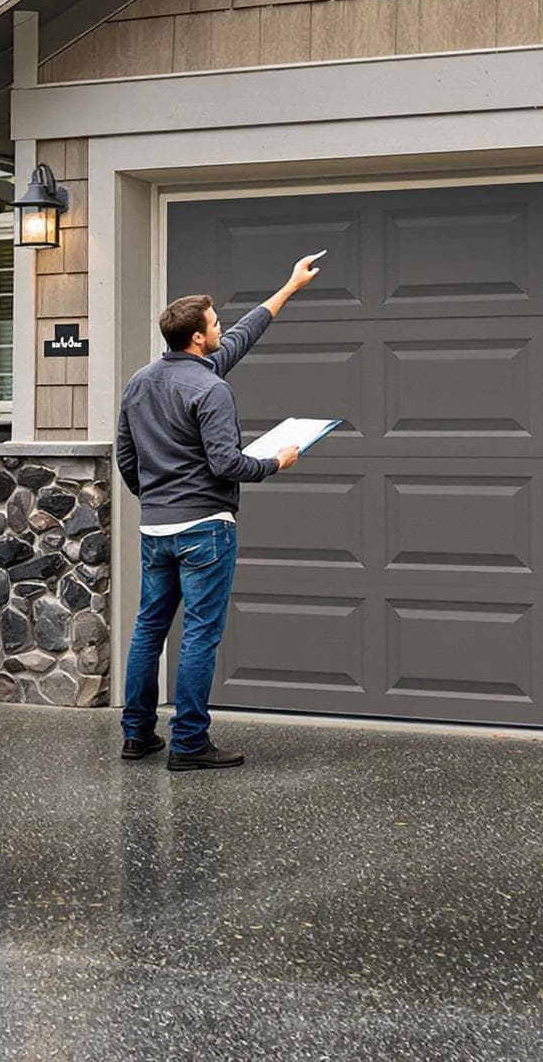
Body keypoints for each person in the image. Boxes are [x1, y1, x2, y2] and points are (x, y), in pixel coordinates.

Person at [112, 252, 322, 770]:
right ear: (197, 338)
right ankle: (188, 744)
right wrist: (275, 461)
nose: (222, 329)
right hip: (205, 529)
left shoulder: (141, 382)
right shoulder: (211, 389)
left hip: (156, 529)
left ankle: (137, 735)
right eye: (214, 324)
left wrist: (289, 287)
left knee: (149, 628)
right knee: (200, 634)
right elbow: (227, 464)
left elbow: (125, 456)